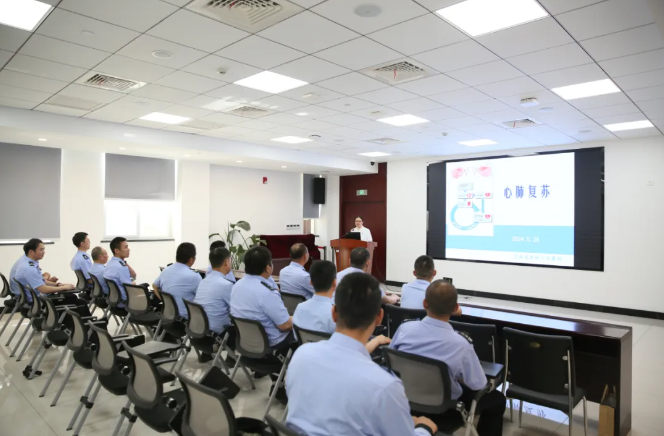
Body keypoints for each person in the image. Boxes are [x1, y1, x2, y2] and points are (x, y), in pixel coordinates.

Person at [285, 272, 438, 436]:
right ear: (379, 317)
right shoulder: (385, 387)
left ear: (334, 313)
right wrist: (425, 428)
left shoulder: (301, 355)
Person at [390, 281, 505, 436]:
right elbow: (478, 384)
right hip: (445, 411)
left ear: (425, 303)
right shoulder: (462, 345)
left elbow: (391, 360)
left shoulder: (404, 329)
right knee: (497, 399)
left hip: (405, 400)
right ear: (455, 308)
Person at [230, 246, 293, 353]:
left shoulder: (237, 285)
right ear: (268, 268)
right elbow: (285, 325)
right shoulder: (267, 293)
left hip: (246, 344)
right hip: (272, 346)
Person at [193, 247, 235, 362]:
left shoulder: (203, 281)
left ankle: (207, 354)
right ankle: (232, 359)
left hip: (199, 329)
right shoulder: (226, 285)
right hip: (216, 334)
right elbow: (239, 310)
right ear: (226, 262)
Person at [153, 243, 202, 318]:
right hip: (187, 319)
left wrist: (165, 301)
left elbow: (154, 286)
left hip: (168, 316)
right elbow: (204, 298)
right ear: (191, 259)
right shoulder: (194, 276)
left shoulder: (166, 270)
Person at [292, 260, 337, 334]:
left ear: (311, 282)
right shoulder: (335, 315)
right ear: (334, 283)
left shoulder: (299, 307)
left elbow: (296, 336)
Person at [104, 236, 137, 304]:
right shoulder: (121, 267)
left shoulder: (110, 263)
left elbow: (133, 275)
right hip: (126, 301)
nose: (128, 249)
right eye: (125, 247)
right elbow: (129, 289)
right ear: (116, 250)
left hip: (114, 300)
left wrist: (124, 262)